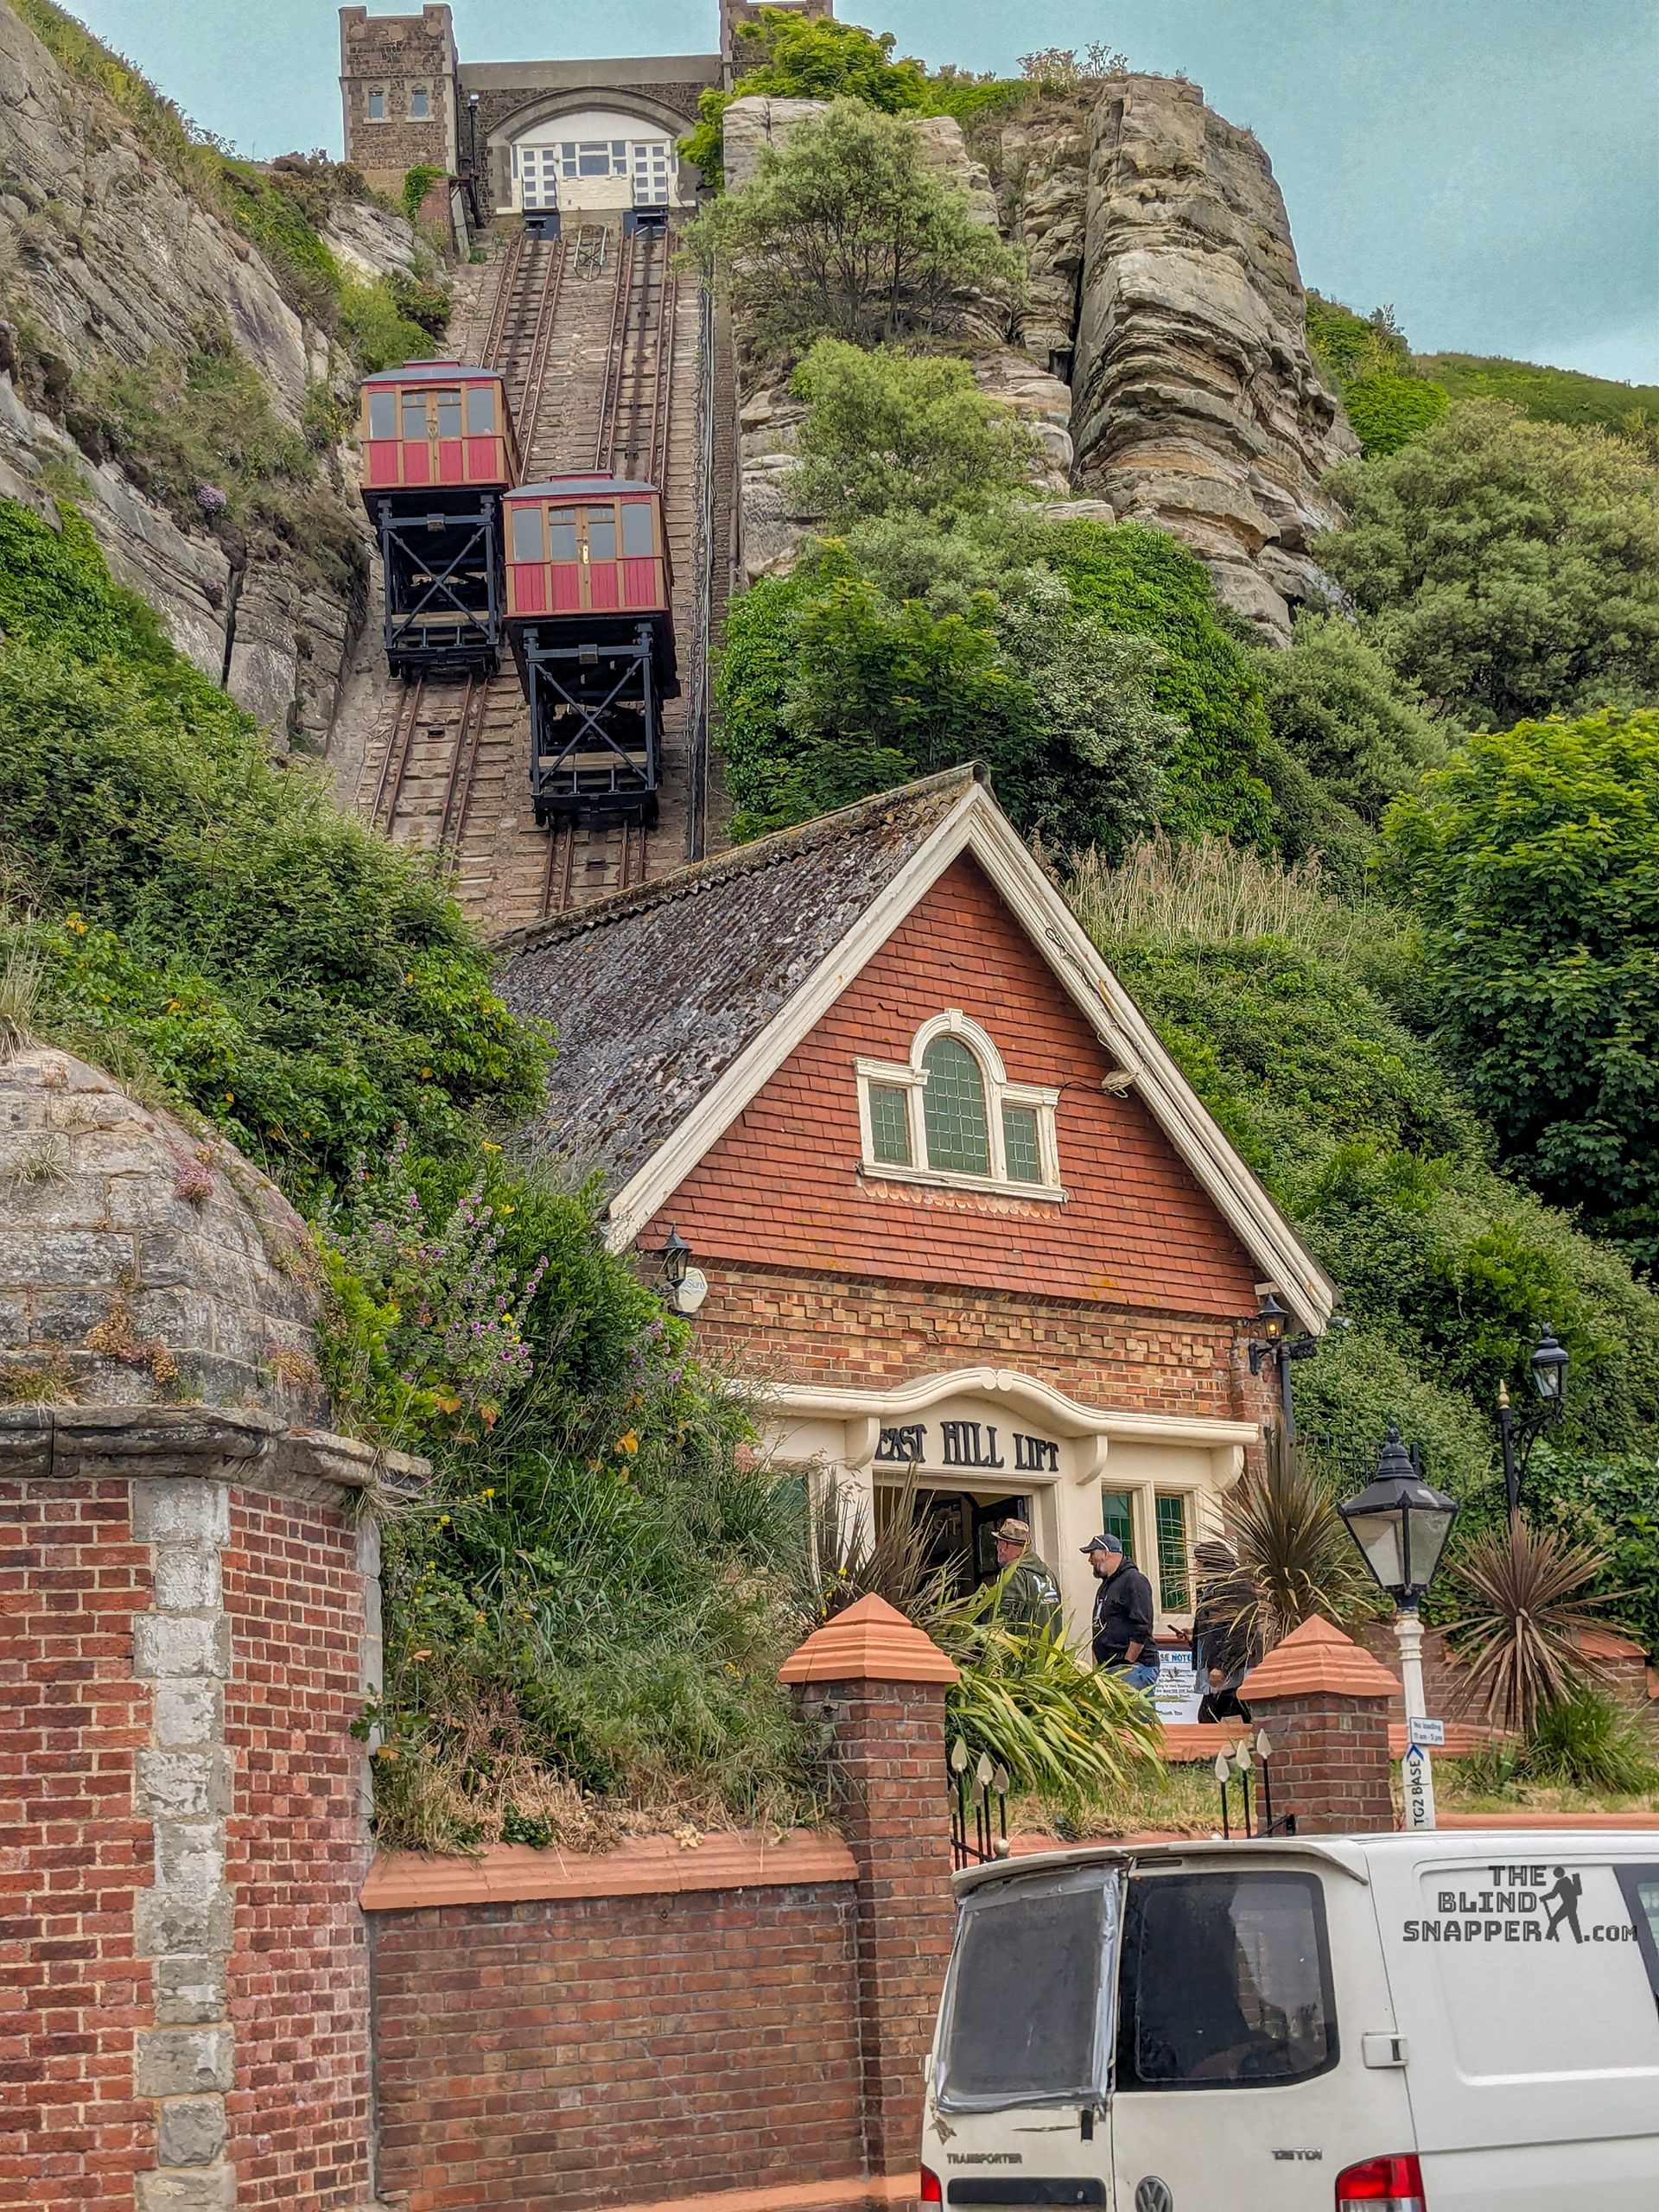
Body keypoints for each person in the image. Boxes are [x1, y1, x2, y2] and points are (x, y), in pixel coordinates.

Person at [1190, 1539, 1258, 1724]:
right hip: (1223, 1666)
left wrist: (1221, 1665)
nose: (1196, 1566)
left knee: (1212, 1717)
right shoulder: (1213, 1587)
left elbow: (1240, 1630)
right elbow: (1213, 1627)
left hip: (1233, 1668)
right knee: (1220, 1716)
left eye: (1200, 1561)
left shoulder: (1235, 1587)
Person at [1083, 1535, 1159, 1692]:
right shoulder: (1108, 1585)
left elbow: (1142, 1626)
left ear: (1105, 1553)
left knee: (1135, 1716)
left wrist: (1127, 1662)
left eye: (1092, 1554)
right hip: (1110, 1669)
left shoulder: (1133, 1580)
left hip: (1132, 1670)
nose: (1090, 1560)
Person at [991, 1518, 1062, 1634]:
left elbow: (1005, 1622)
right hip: (1052, 1650)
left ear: (1004, 1545)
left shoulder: (1014, 1575)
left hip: (1025, 1651)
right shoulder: (1048, 1574)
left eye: (999, 1542)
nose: (998, 1547)